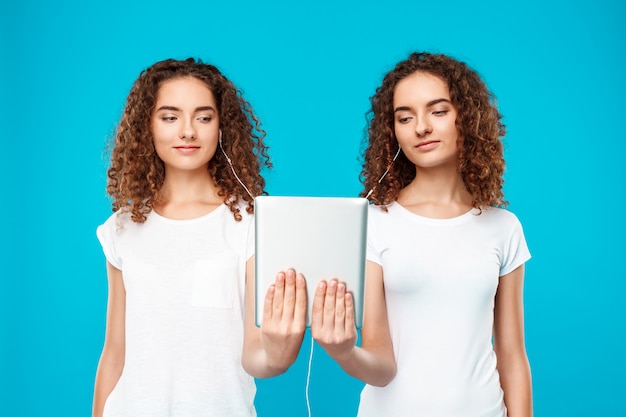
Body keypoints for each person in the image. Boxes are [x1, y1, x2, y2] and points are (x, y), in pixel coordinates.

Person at [310, 52, 532, 417]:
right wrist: (344, 351)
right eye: (405, 117)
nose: (421, 127)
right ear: (392, 131)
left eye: (438, 111)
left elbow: (512, 355)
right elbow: (381, 364)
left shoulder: (503, 228)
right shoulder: (372, 222)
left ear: (468, 117)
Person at [93, 58, 306, 417]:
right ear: (148, 126)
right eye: (170, 117)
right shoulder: (121, 228)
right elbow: (115, 351)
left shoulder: (252, 223)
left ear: (222, 127)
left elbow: (257, 355)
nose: (188, 131)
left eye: (204, 117)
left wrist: (281, 351)